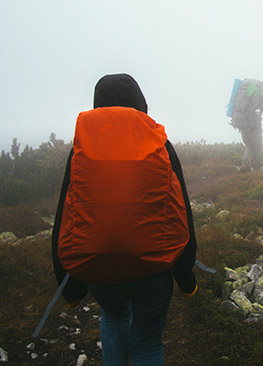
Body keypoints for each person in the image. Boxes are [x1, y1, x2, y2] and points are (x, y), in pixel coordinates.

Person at [52, 73, 197, 366]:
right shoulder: (159, 145)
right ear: (140, 103)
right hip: (154, 270)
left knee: (114, 317)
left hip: (100, 268)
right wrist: (185, 276)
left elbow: (65, 215)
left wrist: (71, 286)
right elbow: (180, 210)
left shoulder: (81, 150)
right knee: (146, 343)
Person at [230, 79, 263, 171]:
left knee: (249, 146)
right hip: (253, 125)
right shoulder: (262, 96)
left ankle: (245, 164)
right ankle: (257, 168)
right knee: (258, 148)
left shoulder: (241, 92)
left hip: (241, 124)